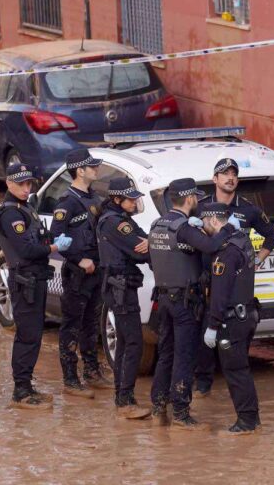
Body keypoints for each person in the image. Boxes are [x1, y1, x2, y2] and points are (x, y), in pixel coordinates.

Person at [148, 178, 233, 430]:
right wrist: (228, 229)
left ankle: (158, 408)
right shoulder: (185, 228)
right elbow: (211, 245)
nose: (198, 200)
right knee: (184, 357)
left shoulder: (157, 224)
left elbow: (154, 259)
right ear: (189, 199)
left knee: (166, 354)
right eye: (195, 197)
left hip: (163, 299)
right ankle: (182, 414)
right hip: (185, 302)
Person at [194, 158, 274, 397]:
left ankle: (237, 378)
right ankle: (203, 385)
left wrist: (257, 260)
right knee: (203, 333)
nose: (230, 178)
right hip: (207, 279)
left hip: (236, 283)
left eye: (234, 174)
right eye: (225, 174)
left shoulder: (248, 210)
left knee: (235, 333)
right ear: (215, 179)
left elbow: (271, 237)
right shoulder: (201, 208)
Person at [0, 163, 72, 409]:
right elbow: (26, 249)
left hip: (35, 278)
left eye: (29, 184)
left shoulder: (25, 209)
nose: (26, 189)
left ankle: (26, 386)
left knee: (35, 334)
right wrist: (54, 248)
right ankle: (21, 392)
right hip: (24, 280)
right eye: (21, 184)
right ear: (9, 184)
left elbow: (35, 237)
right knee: (27, 335)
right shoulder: (10, 214)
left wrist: (49, 240)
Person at [50, 149, 111, 399]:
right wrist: (77, 258)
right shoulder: (67, 202)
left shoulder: (94, 197)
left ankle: (92, 371)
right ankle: (70, 379)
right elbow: (57, 237)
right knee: (71, 325)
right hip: (77, 273)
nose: (96, 170)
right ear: (79, 170)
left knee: (90, 323)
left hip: (97, 269)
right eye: (91, 167)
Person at [201, 202, 261, 435]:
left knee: (236, 371)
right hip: (247, 314)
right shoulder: (242, 240)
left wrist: (213, 325)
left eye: (205, 223)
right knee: (241, 368)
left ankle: (247, 422)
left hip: (232, 319)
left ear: (215, 220)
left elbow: (220, 294)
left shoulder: (226, 251)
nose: (204, 228)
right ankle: (252, 418)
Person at [96, 177, 153, 419]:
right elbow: (141, 251)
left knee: (123, 342)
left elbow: (146, 240)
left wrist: (150, 241)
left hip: (119, 287)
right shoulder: (116, 223)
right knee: (133, 343)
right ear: (117, 199)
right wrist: (149, 243)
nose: (135, 202)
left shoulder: (120, 219)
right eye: (130, 199)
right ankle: (125, 401)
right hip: (120, 287)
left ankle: (121, 396)